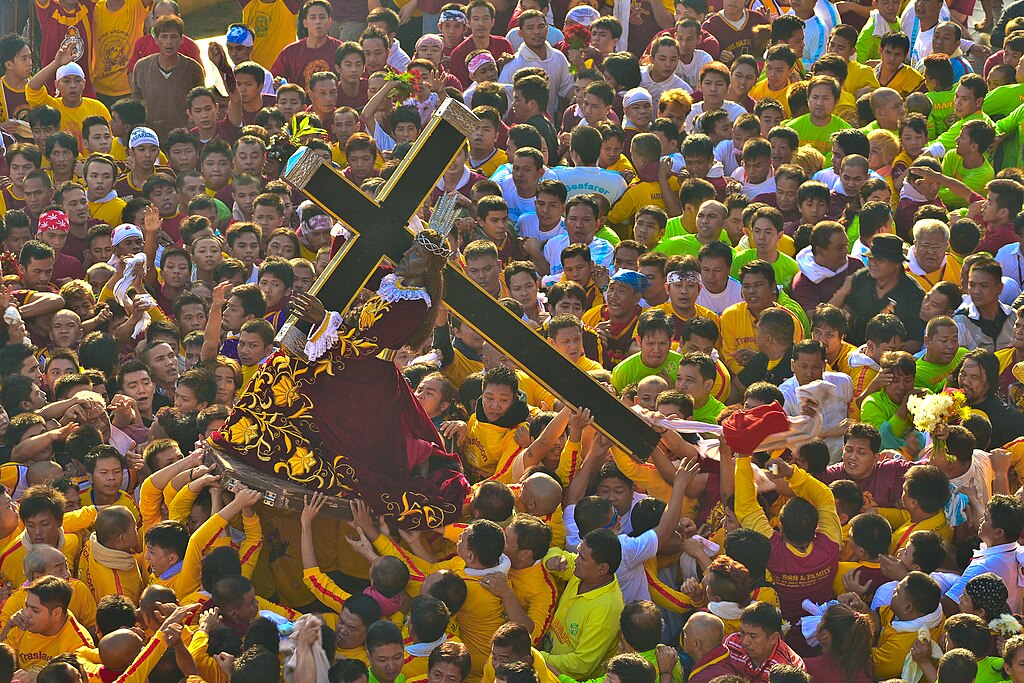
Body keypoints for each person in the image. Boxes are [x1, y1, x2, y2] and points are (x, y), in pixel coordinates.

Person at [212, 229, 470, 529]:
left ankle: (279, 455)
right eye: (410, 250)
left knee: (291, 376)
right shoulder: (395, 282)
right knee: (282, 365)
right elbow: (354, 263)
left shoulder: (416, 304)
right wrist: (349, 229)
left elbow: (366, 345)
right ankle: (243, 436)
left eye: (416, 255)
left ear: (427, 267)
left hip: (365, 376)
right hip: (347, 365)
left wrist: (323, 319)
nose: (406, 256)